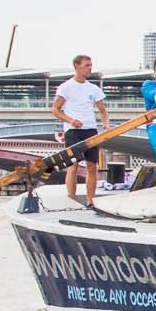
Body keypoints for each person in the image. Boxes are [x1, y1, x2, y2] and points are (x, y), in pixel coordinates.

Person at [50, 54, 108, 205]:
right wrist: (71, 120)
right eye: (87, 65)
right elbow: (55, 110)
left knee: (92, 166)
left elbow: (102, 109)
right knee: (72, 166)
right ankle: (71, 199)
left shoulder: (93, 88)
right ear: (77, 66)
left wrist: (106, 125)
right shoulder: (66, 87)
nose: (90, 68)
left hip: (90, 130)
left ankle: (90, 201)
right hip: (73, 130)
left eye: (91, 65)